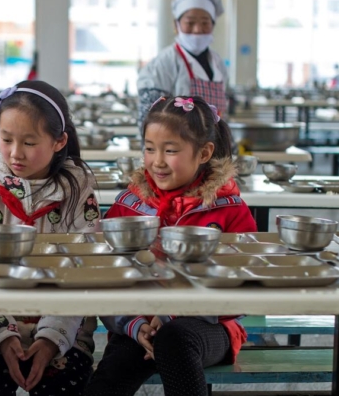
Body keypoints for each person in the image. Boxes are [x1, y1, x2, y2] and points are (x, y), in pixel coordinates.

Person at [83, 96, 257, 396]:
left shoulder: (229, 209)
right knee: (111, 375)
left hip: (209, 328)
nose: (157, 161)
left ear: (204, 152)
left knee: (174, 338)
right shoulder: (129, 206)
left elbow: (242, 292)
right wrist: (135, 325)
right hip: (136, 326)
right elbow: (101, 277)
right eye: (149, 149)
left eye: (171, 150)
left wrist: (169, 316)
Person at [0, 80, 100, 395]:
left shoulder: (77, 191)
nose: (15, 153)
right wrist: (3, 339)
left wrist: (50, 340)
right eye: (6, 139)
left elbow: (83, 271)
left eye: (30, 143)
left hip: (65, 334)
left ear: (59, 141)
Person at [137, 0, 228, 132]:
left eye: (205, 23)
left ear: (213, 24)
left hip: (213, 149)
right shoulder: (164, 62)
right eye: (190, 23)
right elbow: (150, 119)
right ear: (176, 24)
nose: (197, 30)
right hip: (176, 148)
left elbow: (223, 116)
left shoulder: (218, 63)